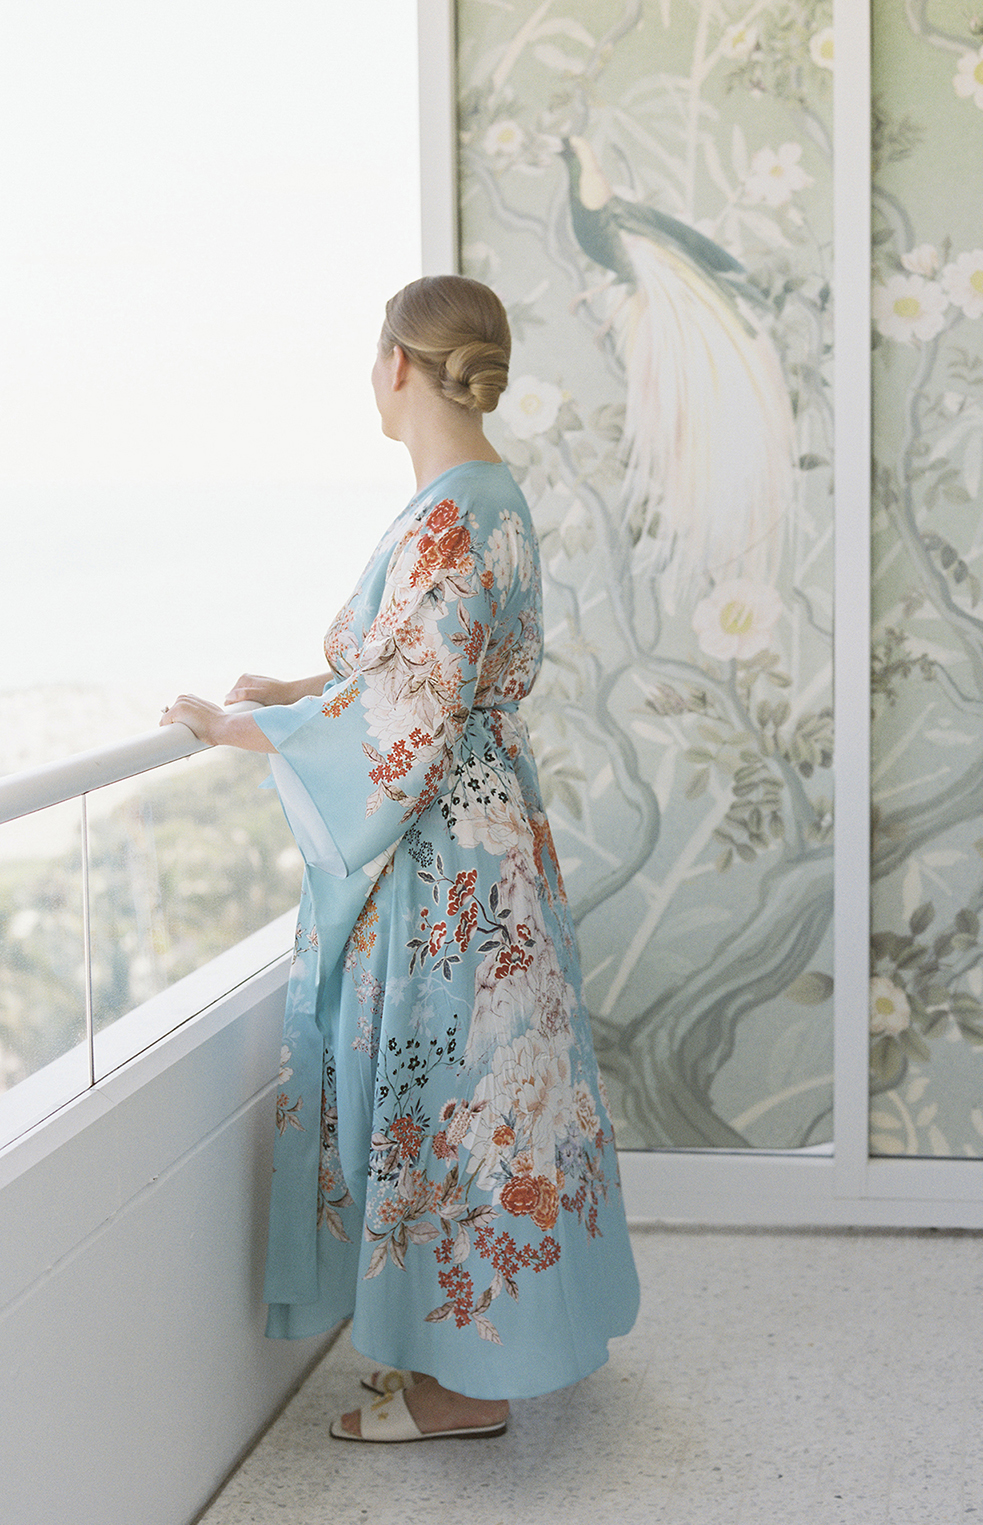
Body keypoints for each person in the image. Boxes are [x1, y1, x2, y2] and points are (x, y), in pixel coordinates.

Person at [161, 275, 640, 1442]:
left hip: (449, 870)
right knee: (492, 1094)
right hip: (488, 842)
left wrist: (247, 729)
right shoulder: (484, 499)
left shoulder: (449, 512)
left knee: (455, 1095)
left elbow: (410, 710)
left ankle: (464, 1389)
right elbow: (412, 672)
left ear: (395, 366)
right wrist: (296, 689)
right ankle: (461, 1358)